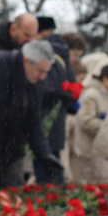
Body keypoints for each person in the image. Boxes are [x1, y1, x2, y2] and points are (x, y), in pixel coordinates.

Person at [0, 40, 62, 192]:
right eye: (40, 71)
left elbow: (33, 123)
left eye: (45, 72)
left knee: (12, 191)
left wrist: (44, 154)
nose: (42, 77)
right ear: (26, 61)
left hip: (11, 144)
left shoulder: (35, 83)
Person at [33, 16, 76, 184]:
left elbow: (44, 91)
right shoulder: (63, 54)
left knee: (45, 176)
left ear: (41, 33)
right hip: (58, 125)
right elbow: (71, 91)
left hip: (42, 124)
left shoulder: (45, 54)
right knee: (54, 170)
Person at [74, 61, 108, 184]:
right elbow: (86, 121)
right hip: (88, 149)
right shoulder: (91, 94)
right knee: (90, 184)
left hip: (101, 150)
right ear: (105, 78)